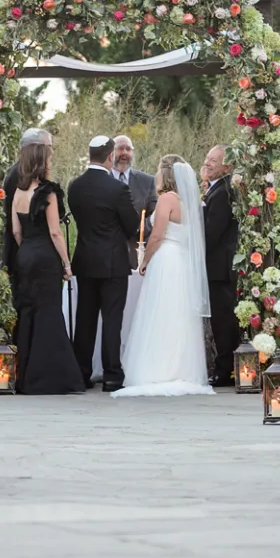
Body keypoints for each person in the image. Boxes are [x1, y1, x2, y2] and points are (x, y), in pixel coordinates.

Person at [112, 155, 214, 398]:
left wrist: (144, 261)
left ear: (165, 174)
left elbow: (156, 236)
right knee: (178, 316)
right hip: (181, 261)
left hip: (166, 259)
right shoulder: (189, 202)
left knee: (160, 312)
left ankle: (157, 369)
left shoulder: (168, 198)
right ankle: (180, 367)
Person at [11, 140, 85, 395]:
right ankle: (52, 378)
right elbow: (55, 232)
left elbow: (16, 231)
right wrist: (66, 263)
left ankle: (25, 378)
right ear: (42, 162)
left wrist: (27, 251)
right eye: (49, 159)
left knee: (29, 312)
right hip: (45, 256)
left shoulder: (18, 193)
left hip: (26, 254)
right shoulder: (48, 193)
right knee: (50, 312)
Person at [68, 136, 140, 391]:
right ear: (110, 156)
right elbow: (132, 225)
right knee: (112, 319)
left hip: (85, 261)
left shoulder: (74, 187)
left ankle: (82, 372)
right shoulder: (117, 189)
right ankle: (112, 375)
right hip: (113, 263)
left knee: (85, 318)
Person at [203, 144, 239, 387]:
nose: (207, 163)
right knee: (219, 319)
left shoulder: (225, 191)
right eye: (207, 158)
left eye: (213, 161)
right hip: (216, 266)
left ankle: (225, 370)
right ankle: (224, 367)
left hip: (220, 267)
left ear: (227, 166)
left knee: (223, 320)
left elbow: (210, 233)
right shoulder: (216, 189)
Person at [3, 128, 53, 304]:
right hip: (24, 252)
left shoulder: (21, 172)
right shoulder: (21, 175)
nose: (50, 152)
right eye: (48, 147)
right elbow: (16, 225)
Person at [111, 135, 158, 269]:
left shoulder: (147, 181)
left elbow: (154, 215)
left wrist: (139, 229)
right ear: (111, 153)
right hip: (106, 256)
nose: (125, 153)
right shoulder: (101, 180)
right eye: (120, 148)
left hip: (136, 254)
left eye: (128, 149)